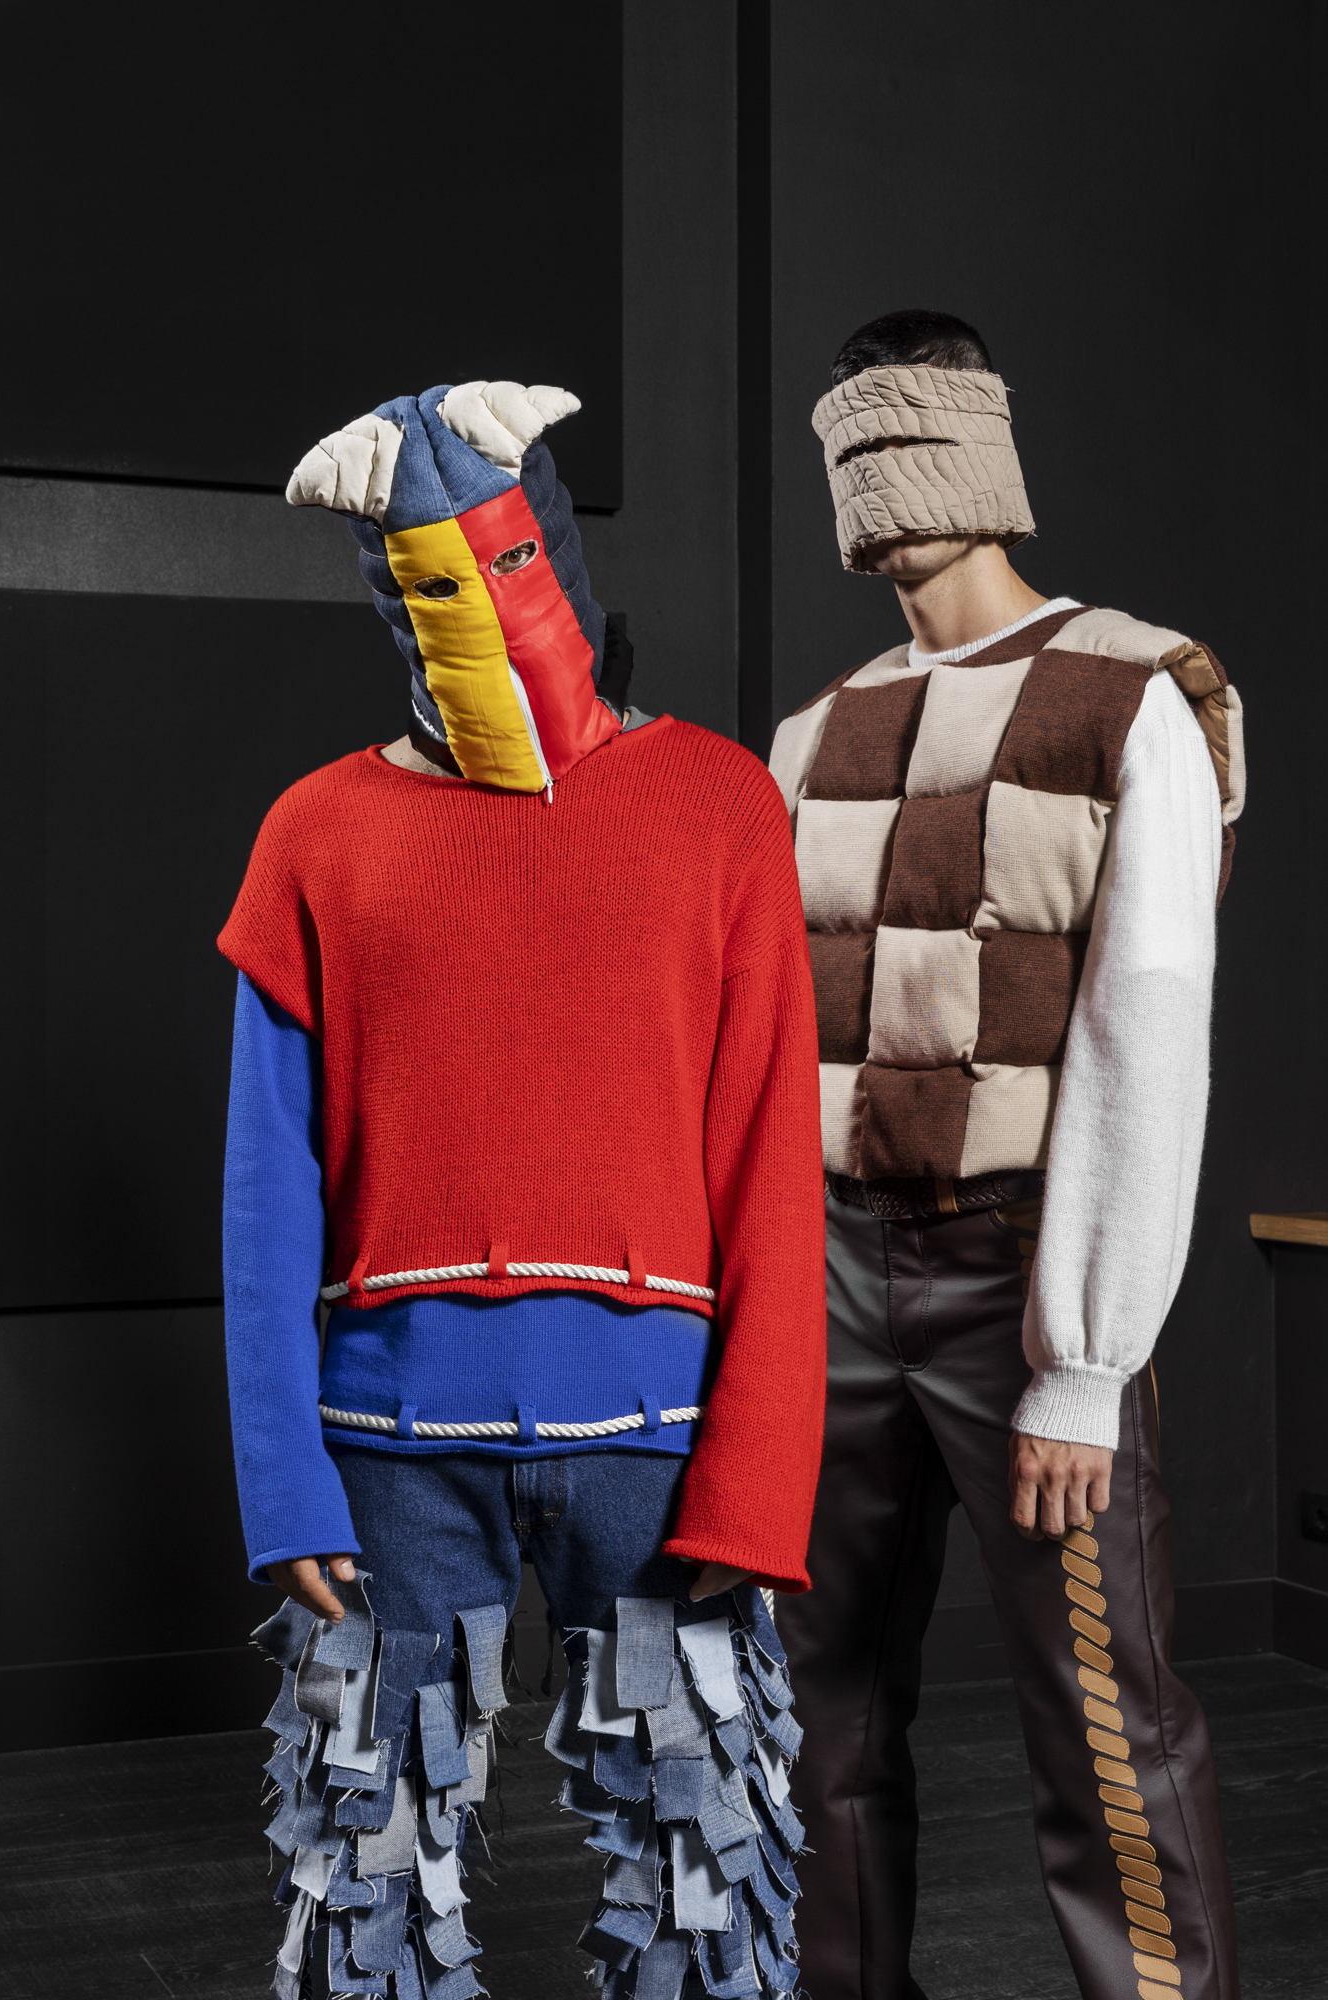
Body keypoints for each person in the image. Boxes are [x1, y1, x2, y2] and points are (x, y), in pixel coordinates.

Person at [219, 376, 825, 2000]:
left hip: (658, 1450)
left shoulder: (715, 805)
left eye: (501, 562)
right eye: (433, 582)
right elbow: (265, 1188)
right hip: (387, 1454)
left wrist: (759, 1479)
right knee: (365, 1864)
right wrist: (283, 1487)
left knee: (705, 1868)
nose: (483, 617)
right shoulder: (316, 832)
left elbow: (771, 1154)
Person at [769, 310, 1244, 2000]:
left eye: (910, 439)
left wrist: (1082, 1363)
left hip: (1016, 1269)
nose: (882, 490)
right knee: (811, 1710)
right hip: (825, 1271)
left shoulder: (1129, 693)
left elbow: (1143, 1026)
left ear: (984, 444)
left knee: (1101, 1720)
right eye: (853, 450)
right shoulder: (809, 736)